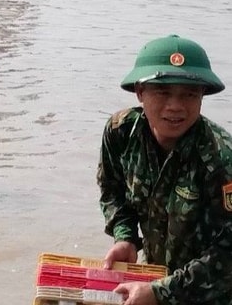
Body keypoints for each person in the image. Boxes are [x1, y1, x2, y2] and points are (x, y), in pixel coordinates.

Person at [97, 35, 232, 305]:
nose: (175, 106)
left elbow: (227, 256)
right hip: (153, 280)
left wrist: (161, 293)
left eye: (189, 94)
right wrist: (125, 239)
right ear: (139, 91)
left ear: (202, 96)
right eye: (162, 92)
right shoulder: (121, 131)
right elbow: (112, 191)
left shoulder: (220, 158)